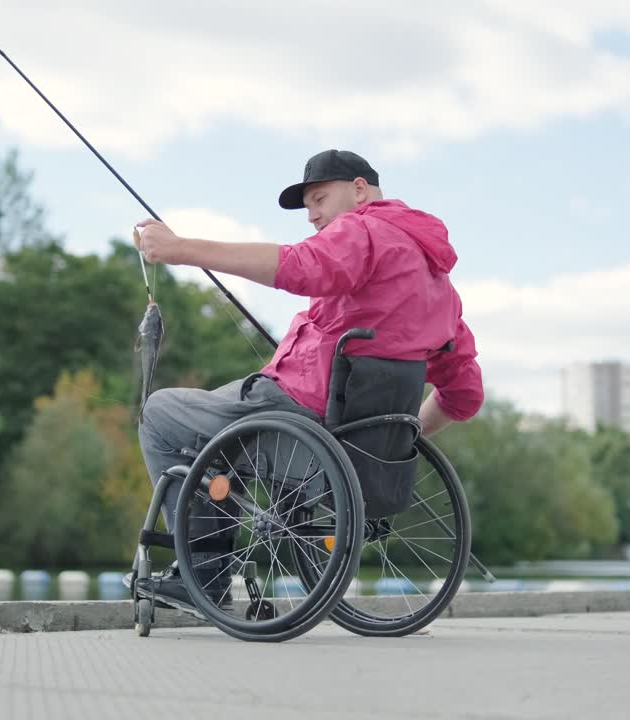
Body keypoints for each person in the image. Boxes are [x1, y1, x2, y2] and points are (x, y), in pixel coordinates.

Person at [132, 149, 483, 611]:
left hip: (292, 414)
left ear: (359, 190)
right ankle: (213, 540)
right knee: (207, 424)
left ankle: (204, 574)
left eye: (319, 199)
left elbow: (299, 267)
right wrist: (395, 433)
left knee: (159, 415)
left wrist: (181, 249)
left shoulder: (362, 230)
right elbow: (465, 394)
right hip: (344, 441)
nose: (313, 216)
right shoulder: (441, 290)